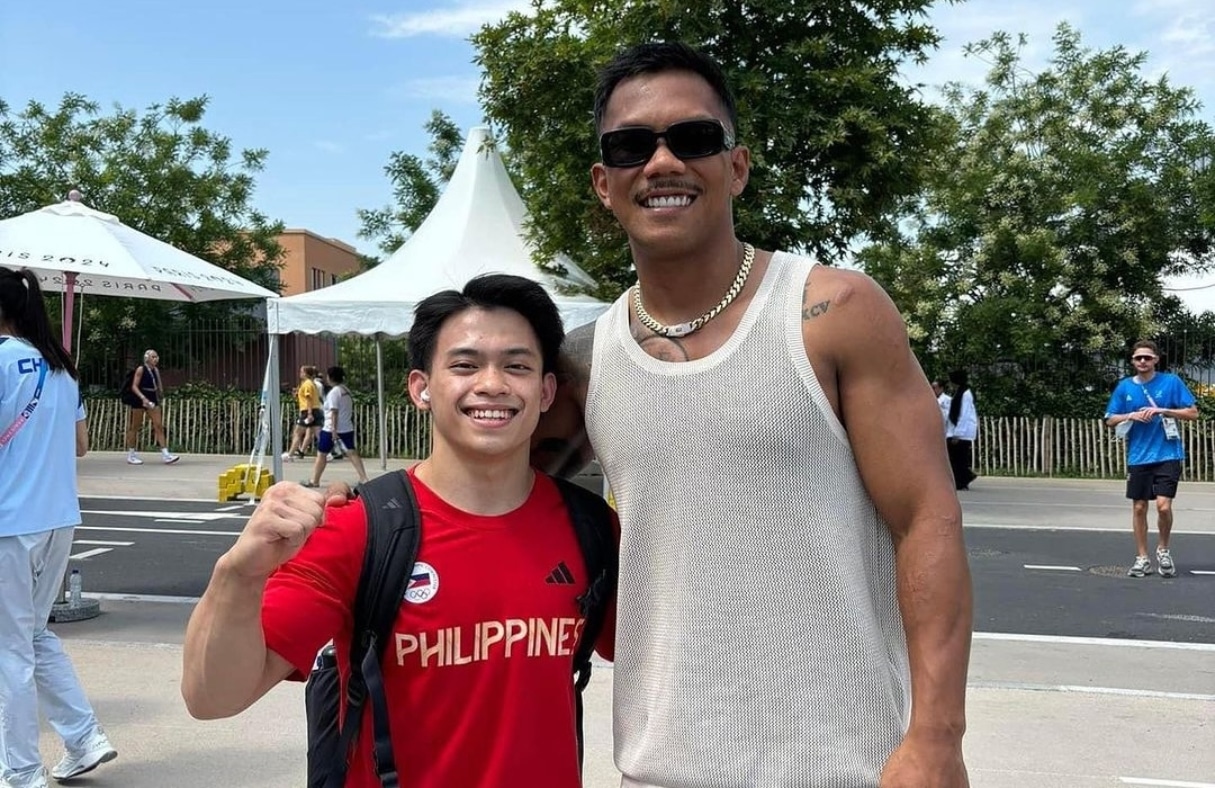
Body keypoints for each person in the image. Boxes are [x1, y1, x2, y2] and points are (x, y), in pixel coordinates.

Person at [531, 42, 972, 786]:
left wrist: (935, 737)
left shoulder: (831, 311)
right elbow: (481, 496)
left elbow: (926, 519)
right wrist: (359, 520)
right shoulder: (586, 360)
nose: (663, 162)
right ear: (604, 184)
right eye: (632, 145)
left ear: (735, 166)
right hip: (659, 763)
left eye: (694, 138)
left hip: (844, 764)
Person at [181, 274, 616, 787]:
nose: (493, 384)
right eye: (465, 365)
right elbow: (213, 697)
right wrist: (239, 573)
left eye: (516, 366)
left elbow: (677, 661)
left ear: (545, 392)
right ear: (421, 388)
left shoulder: (591, 528)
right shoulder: (359, 529)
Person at [0, 267, 117, 788]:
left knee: (9, 651)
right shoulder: (60, 367)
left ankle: (22, 770)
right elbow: (81, 444)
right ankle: (84, 737)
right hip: (57, 518)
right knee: (34, 636)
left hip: (8, 522)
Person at [1104, 340, 1198, 577]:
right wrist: (1132, 415)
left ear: (1156, 359)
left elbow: (1192, 413)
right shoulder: (1125, 387)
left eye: (1147, 357)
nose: (1143, 361)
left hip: (1168, 453)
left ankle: (1163, 550)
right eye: (1138, 358)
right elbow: (1110, 419)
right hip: (1139, 456)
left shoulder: (1171, 382)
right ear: (1133, 361)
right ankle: (1142, 557)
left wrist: (1162, 410)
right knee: (1138, 507)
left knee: (1163, 506)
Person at [303, 366, 368, 488]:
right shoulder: (346, 390)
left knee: (321, 454)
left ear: (330, 377)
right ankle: (364, 478)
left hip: (331, 429)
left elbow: (334, 412)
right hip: (347, 426)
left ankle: (315, 480)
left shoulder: (334, 393)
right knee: (352, 452)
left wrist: (333, 430)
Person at [123, 348, 179, 465]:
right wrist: (143, 398)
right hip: (139, 399)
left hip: (152, 398)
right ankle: (131, 455)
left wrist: (160, 395)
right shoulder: (141, 369)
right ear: (147, 358)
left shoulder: (155, 371)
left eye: (156, 356)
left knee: (158, 425)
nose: (156, 359)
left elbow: (158, 386)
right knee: (135, 426)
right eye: (153, 357)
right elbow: (134, 386)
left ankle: (166, 454)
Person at [283, 365, 324, 461]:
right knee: (318, 433)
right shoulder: (310, 383)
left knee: (297, 432)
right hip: (316, 409)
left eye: (301, 372)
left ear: (305, 373)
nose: (300, 373)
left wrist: (309, 413)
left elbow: (309, 398)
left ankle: (290, 455)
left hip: (307, 411)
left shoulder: (307, 384)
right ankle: (327, 452)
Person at [947, 369, 978, 490]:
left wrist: (957, 434)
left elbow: (964, 414)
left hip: (963, 432)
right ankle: (963, 478)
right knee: (957, 456)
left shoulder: (966, 394)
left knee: (958, 457)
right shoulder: (959, 392)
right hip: (958, 430)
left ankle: (964, 478)